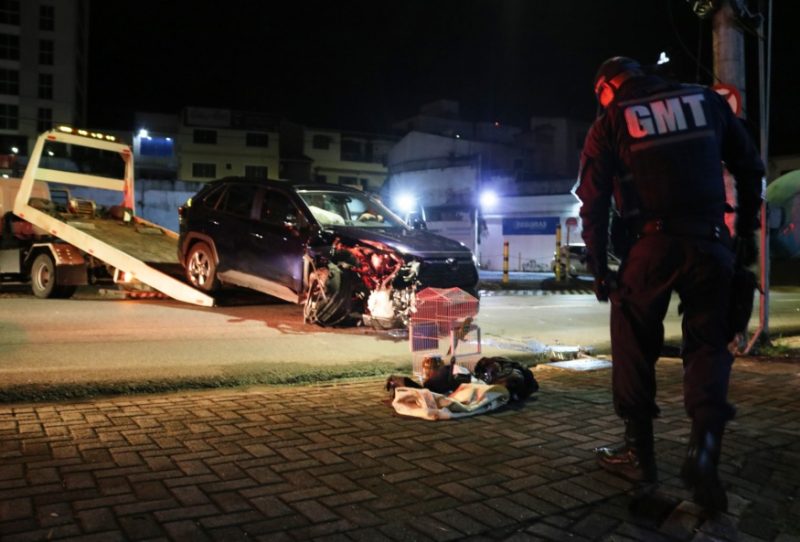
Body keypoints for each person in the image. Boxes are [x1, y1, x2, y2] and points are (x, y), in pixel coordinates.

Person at [575, 56, 764, 513]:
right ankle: (704, 450)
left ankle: (639, 455)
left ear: (606, 88)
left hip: (652, 245)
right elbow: (750, 166)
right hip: (710, 243)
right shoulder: (704, 100)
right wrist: (742, 240)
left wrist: (600, 270)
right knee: (708, 347)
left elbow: (594, 202)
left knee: (632, 339)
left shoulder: (610, 122)